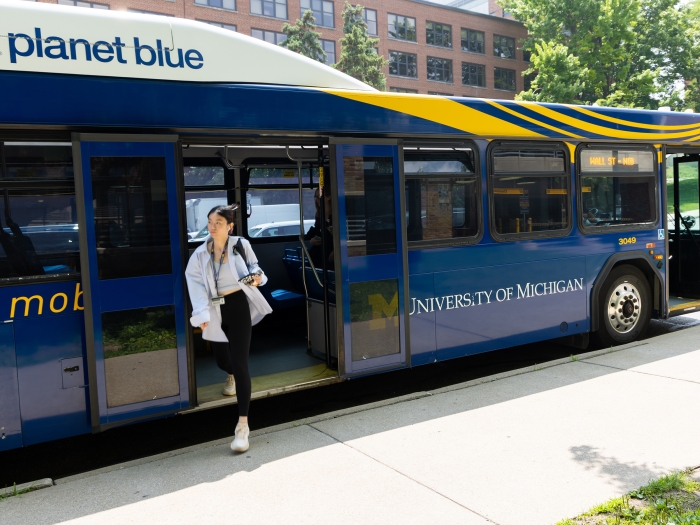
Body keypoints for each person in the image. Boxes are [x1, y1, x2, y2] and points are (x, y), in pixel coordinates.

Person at [185, 204, 272, 453]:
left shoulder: (241, 245)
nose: (212, 227)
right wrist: (201, 313)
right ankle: (230, 373)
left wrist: (256, 276)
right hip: (214, 309)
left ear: (230, 226)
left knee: (241, 363)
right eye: (210, 222)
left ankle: (242, 426)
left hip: (238, 306)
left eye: (218, 223)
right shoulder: (200, 254)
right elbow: (195, 284)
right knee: (223, 361)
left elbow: (256, 267)